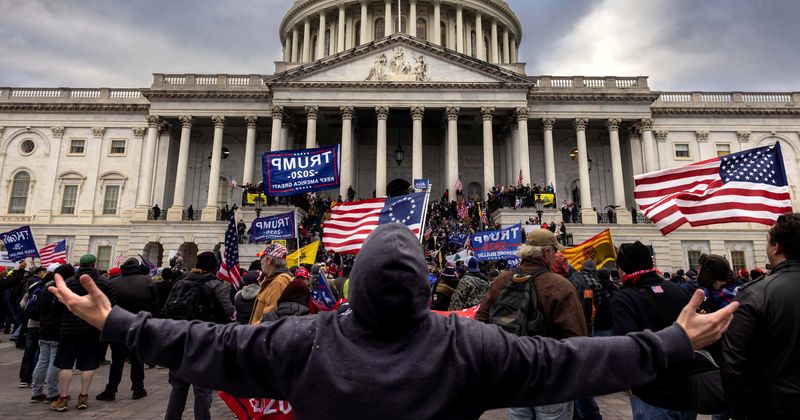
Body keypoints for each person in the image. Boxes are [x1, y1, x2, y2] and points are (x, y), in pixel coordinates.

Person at [50, 224, 738, 420]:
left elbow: (205, 344)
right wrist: (673, 341)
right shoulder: (470, 347)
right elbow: (576, 363)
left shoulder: (299, 342)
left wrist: (119, 323)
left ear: (355, 286)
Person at [477, 229, 587, 420]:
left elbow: (480, 324)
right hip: (550, 378)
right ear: (546, 253)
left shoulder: (501, 280)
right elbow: (577, 337)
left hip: (515, 376)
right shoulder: (559, 285)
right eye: (555, 252)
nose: (557, 256)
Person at [722, 213, 800, 419]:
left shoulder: (756, 294)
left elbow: (733, 364)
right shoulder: (757, 293)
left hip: (777, 407)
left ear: (776, 247)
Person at [611, 241, 695, 419]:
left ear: (623, 267)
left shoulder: (624, 298)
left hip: (651, 392)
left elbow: (627, 347)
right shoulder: (677, 290)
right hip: (686, 388)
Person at [161, 251, 235, 420]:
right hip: (204, 339)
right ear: (213, 267)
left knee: (178, 386)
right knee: (202, 389)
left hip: (180, 339)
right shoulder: (215, 284)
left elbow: (167, 309)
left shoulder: (180, 282)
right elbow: (229, 310)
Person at [50, 254, 115, 412]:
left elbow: (57, 304)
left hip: (69, 328)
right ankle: (83, 397)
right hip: (92, 328)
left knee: (65, 364)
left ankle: (63, 398)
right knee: (88, 364)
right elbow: (111, 305)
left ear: (80, 265)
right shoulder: (104, 283)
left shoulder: (70, 281)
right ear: (94, 264)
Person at [96, 257, 158, 401]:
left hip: (118, 324)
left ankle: (111, 390)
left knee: (117, 360)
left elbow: (107, 305)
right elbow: (155, 303)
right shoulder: (147, 281)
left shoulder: (112, 282)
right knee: (137, 359)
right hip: (139, 324)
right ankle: (138, 388)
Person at [31, 263, 73, 403]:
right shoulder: (63, 290)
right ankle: (52, 392)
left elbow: (39, 310)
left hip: (44, 328)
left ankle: (36, 391)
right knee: (54, 363)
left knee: (42, 361)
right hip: (57, 329)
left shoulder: (45, 288)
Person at [250, 244, 293, 325]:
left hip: (261, 334)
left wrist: (251, 331)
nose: (261, 261)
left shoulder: (278, 282)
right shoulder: (276, 280)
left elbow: (269, 319)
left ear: (269, 260)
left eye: (262, 258)